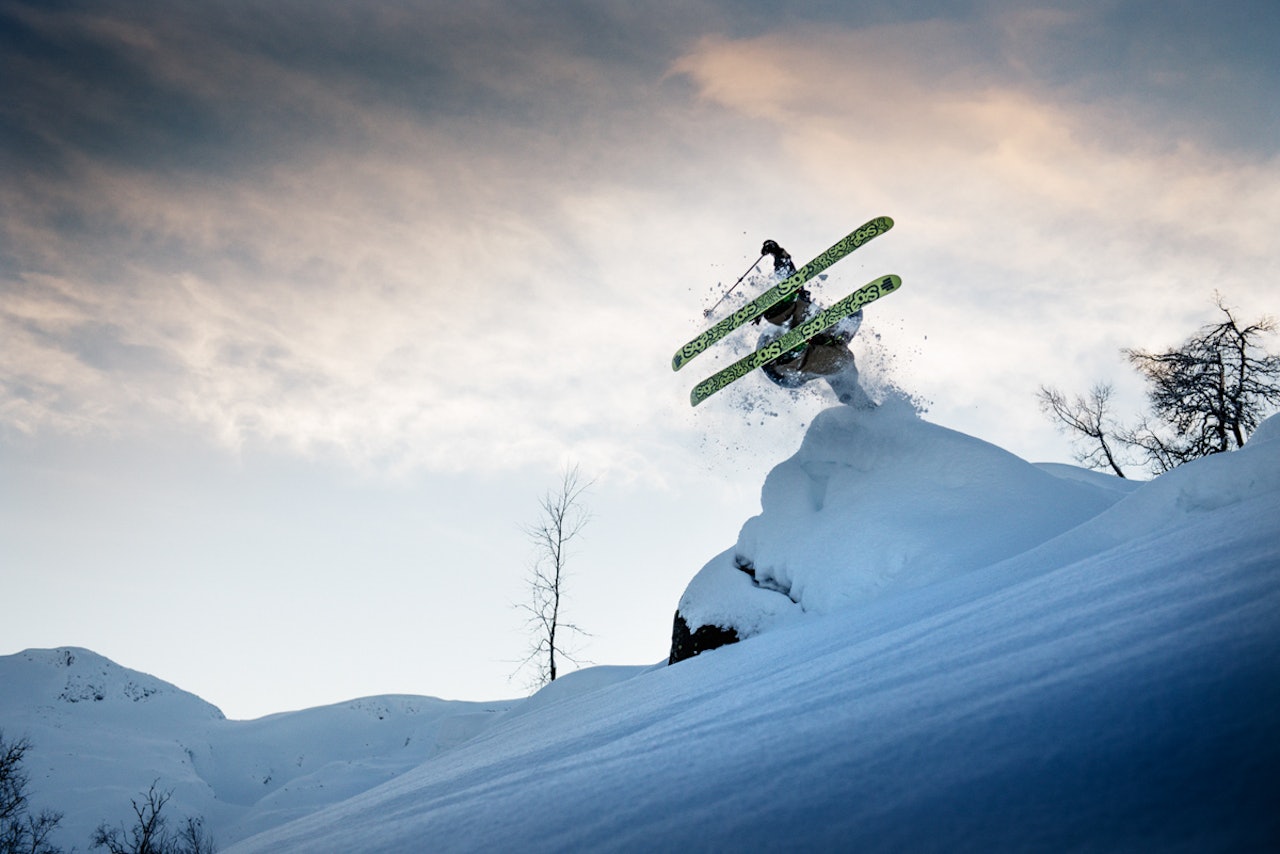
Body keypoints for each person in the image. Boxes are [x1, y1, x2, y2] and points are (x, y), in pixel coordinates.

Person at [753, 239, 874, 408]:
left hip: (788, 373)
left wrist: (866, 407)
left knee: (841, 361)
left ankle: (792, 353)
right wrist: (780, 255)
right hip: (769, 344)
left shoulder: (837, 352)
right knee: (799, 302)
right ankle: (776, 310)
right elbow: (791, 280)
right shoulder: (820, 319)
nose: (842, 327)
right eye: (843, 322)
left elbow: (848, 389)